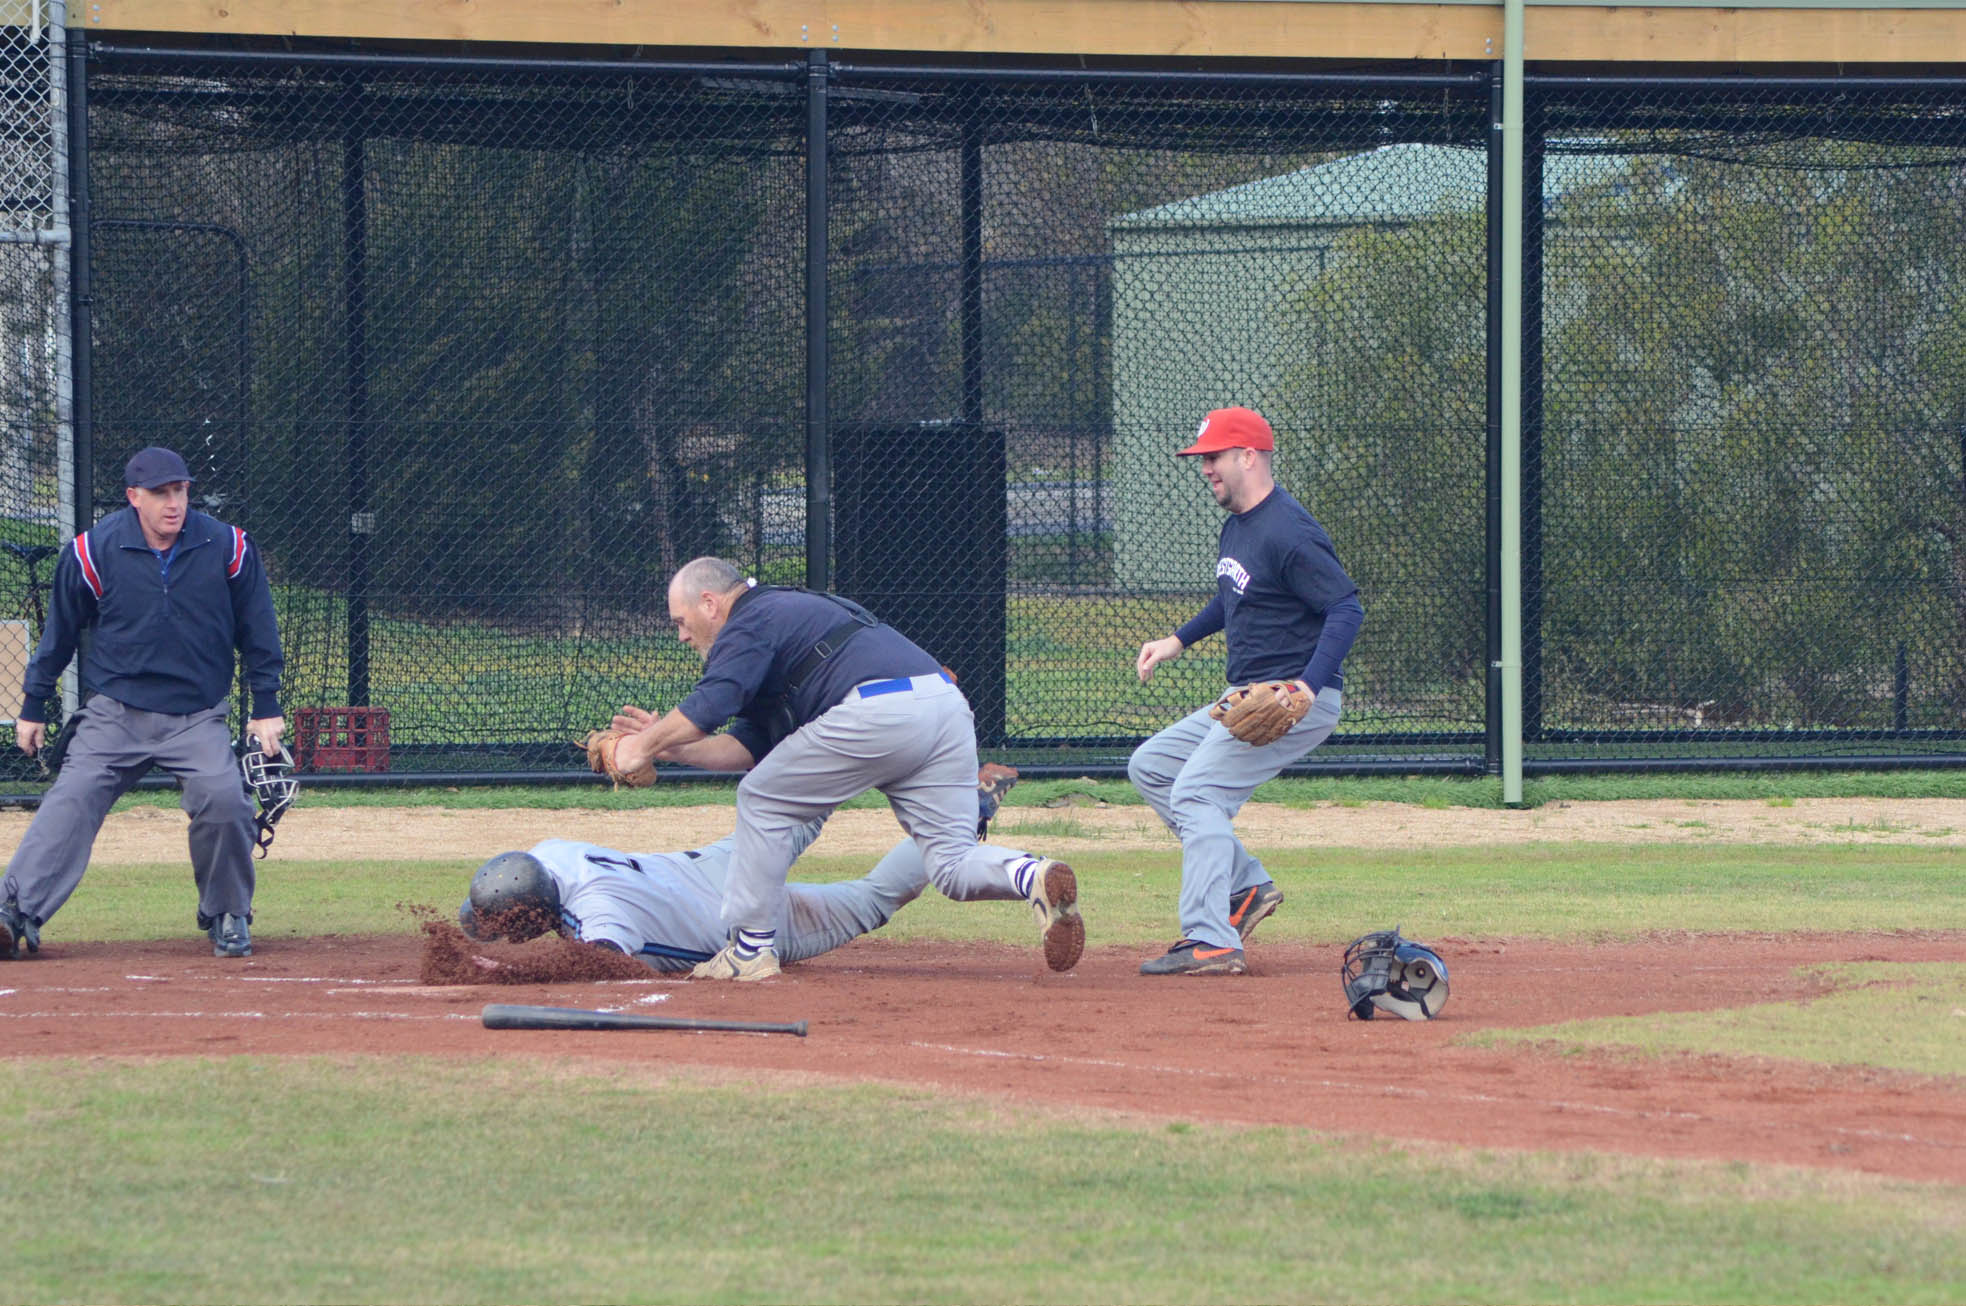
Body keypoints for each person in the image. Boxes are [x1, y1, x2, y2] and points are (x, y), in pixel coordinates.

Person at [603, 556, 1081, 981]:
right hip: (943, 705)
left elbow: (711, 704)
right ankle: (1031, 874)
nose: (682, 635)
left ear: (709, 602)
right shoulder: (780, 618)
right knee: (951, 866)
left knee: (761, 797)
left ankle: (749, 949)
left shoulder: (749, 618)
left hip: (877, 709)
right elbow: (747, 747)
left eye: (681, 621)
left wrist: (638, 747)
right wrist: (668, 749)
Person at [1, 447, 285, 961]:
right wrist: (34, 704)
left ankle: (227, 912)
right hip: (115, 712)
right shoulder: (93, 550)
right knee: (72, 799)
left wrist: (266, 705)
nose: (173, 503)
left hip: (196, 714)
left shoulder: (228, 547)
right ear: (134, 497)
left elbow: (258, 630)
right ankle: (12, 913)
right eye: (160, 493)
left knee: (224, 799)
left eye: (180, 491)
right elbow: (58, 634)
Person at [1129, 407, 1363, 976]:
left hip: (1290, 697)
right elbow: (1234, 595)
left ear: (1248, 456)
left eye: (1213, 456)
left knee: (1197, 794)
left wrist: (1307, 687)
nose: (1205, 467)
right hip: (1246, 693)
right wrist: (1178, 640)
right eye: (1202, 458)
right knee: (1152, 767)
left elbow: (1345, 607)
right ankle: (1245, 886)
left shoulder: (1290, 531)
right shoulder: (1239, 524)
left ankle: (1212, 939)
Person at [457, 766, 1021, 977]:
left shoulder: (598, 914)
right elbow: (512, 893)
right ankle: (895, 742)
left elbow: (599, 964)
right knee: (805, 803)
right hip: (717, 862)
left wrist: (504, 970)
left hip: (738, 917)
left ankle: (964, 810)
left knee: (872, 897)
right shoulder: (549, 853)